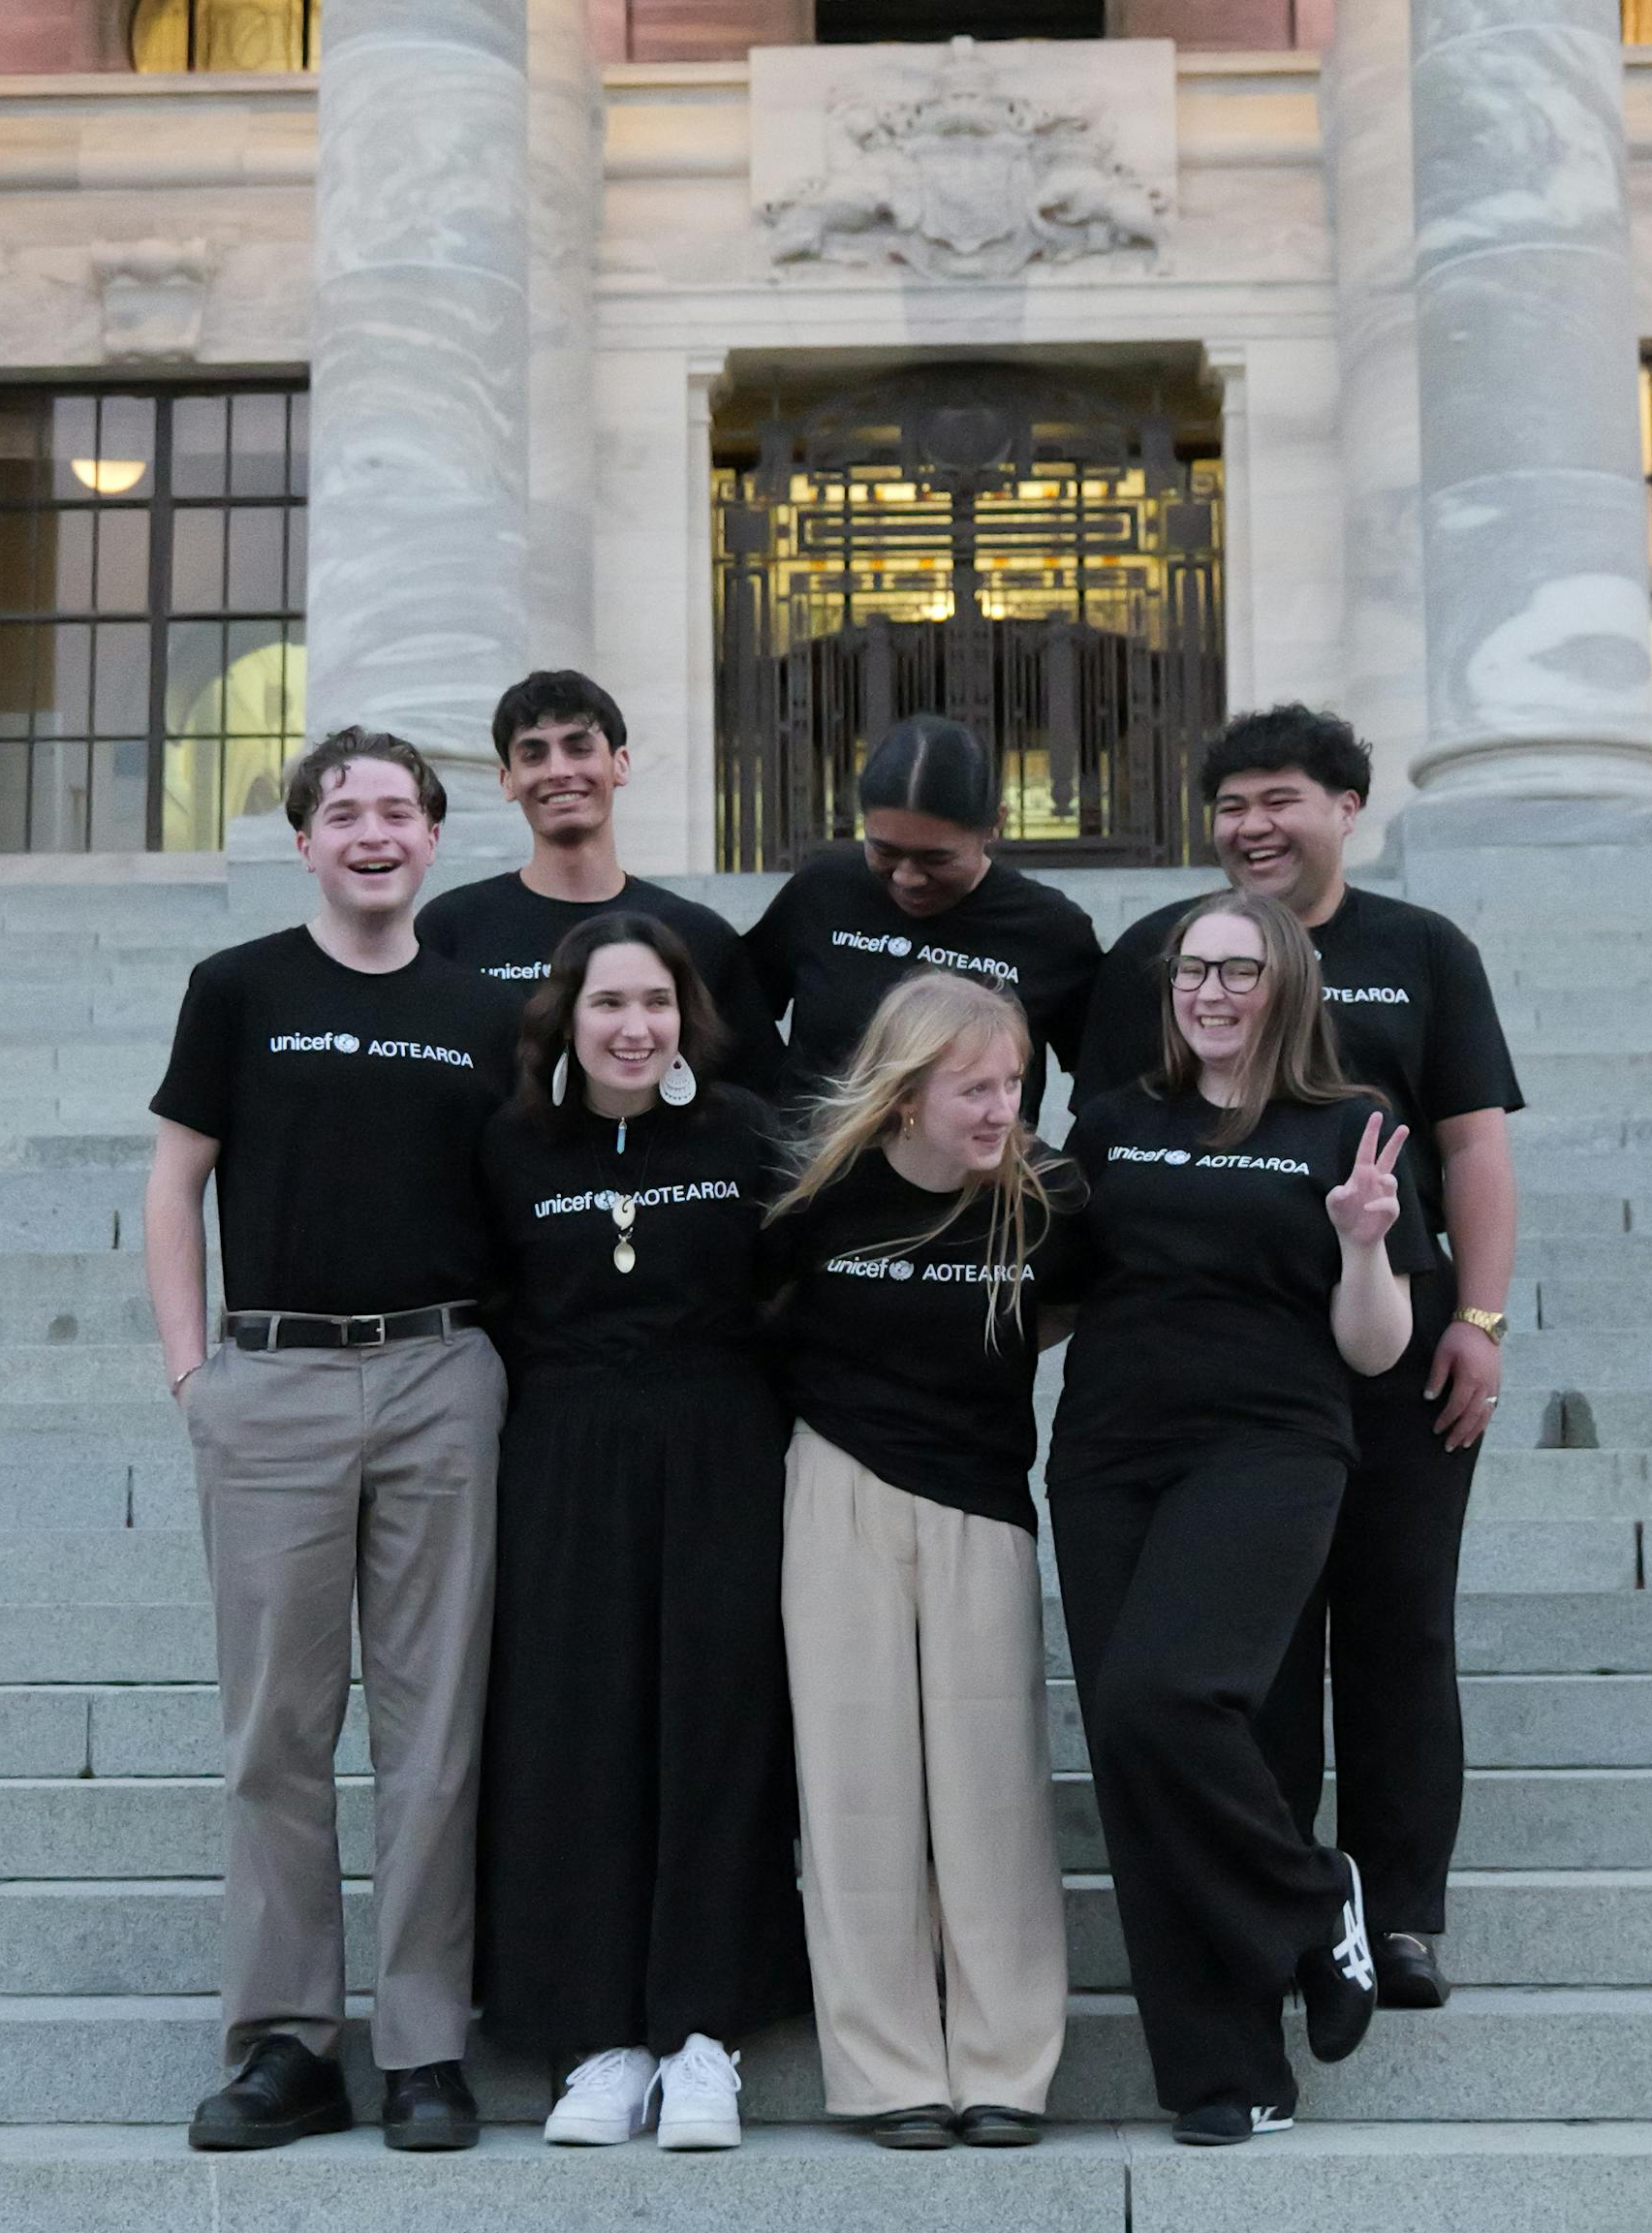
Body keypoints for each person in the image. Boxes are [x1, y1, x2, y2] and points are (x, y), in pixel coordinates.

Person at [1076, 705, 1523, 2009]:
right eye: (1230, 806)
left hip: (1392, 1328)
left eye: (1281, 800)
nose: (1253, 828)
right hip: (1228, 1345)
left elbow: (1475, 1150)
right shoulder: (1162, 957)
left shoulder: (1419, 950)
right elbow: (1111, 1137)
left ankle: (1397, 1913)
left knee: (1395, 1623)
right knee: (1241, 1645)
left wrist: (1479, 1322)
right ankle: (1264, 1899)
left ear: (1345, 807)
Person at [141, 729, 514, 2154]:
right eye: (341, 811)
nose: (371, 831)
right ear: (303, 840)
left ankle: (425, 2046)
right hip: (277, 1380)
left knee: (434, 1735)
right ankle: (284, 2045)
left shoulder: (481, 1010)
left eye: (397, 811)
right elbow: (176, 1183)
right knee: (276, 1734)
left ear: (432, 839)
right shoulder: (239, 990)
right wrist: (193, 1374)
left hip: (437, 1372)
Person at [1048, 888, 1428, 2147]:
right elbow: (1050, 1302)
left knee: (1168, 1699)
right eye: (1192, 972)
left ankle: (1319, 1903)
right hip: (1108, 1455)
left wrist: (1365, 1246)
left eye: (1239, 972)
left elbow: (1375, 1353)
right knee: (1131, 1745)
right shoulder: (1110, 1126)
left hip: (1268, 1449)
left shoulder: (1351, 1131)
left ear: (1290, 989)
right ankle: (1223, 2071)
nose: (1211, 993)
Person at [475, 914, 808, 2152]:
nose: (634, 1027)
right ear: (565, 1018)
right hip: (562, 1461)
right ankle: (598, 2040)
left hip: (720, 1450)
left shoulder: (743, 1133)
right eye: (609, 1004)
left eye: (657, 1003)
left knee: (717, 1729)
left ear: (688, 1018)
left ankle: (706, 2037)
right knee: (577, 1733)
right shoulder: (510, 1146)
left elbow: (798, 1284)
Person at [760, 972, 1084, 2153]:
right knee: (857, 1783)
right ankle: (888, 2068)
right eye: (975, 1089)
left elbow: (1065, 1316)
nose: (1003, 1109)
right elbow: (761, 1317)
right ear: (906, 1097)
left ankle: (1006, 2065)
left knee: (992, 1786)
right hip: (838, 1483)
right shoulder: (818, 1200)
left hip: (984, 1502)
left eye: (1014, 1084)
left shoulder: (1048, 1203)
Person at [420, 669, 781, 1091]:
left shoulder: (697, 935)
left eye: (579, 749)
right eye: (533, 755)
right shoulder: (451, 928)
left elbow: (760, 1100)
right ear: (507, 781)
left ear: (620, 764)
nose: (558, 770)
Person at [742, 714, 1102, 1120]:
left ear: (995, 825)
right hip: (813, 1175)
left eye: (937, 858)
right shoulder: (820, 893)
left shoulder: (1051, 931)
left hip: (972, 1180)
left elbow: (1105, 1081)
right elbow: (736, 1020)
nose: (907, 877)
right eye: (884, 852)